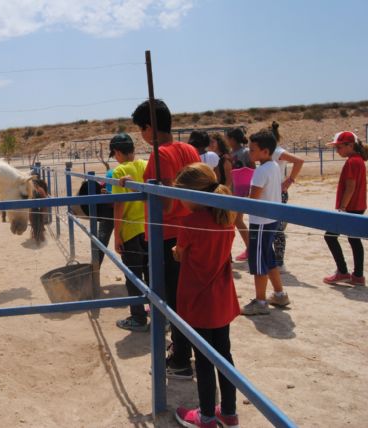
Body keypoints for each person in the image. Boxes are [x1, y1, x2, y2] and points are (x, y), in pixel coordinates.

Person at [131, 99, 200, 379]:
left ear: (148, 128)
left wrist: (147, 191)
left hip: (167, 236)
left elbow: (169, 204)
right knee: (185, 297)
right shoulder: (190, 149)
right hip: (191, 232)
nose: (141, 135)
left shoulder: (160, 156)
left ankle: (181, 360)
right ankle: (183, 350)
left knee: (172, 301)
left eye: (140, 129)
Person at [172, 163, 240, 428]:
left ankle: (207, 416)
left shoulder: (190, 222)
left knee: (202, 359)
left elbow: (181, 252)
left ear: (193, 195)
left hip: (198, 299)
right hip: (222, 298)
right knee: (224, 355)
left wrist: (177, 253)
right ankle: (230, 412)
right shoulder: (226, 217)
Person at [241, 130, 291, 315]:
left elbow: (253, 198)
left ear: (265, 151)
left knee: (258, 260)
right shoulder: (274, 166)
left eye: (253, 149)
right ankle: (279, 294)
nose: (249, 152)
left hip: (261, 221)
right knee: (268, 258)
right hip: (270, 219)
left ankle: (260, 301)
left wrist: (240, 199)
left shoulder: (261, 170)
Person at [109, 133, 150, 332]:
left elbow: (119, 205)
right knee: (151, 274)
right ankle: (160, 315)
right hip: (148, 228)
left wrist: (117, 235)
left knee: (133, 276)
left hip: (131, 230)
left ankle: (138, 317)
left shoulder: (119, 172)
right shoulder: (145, 165)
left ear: (117, 152)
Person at [323, 131, 367, 286]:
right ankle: (358, 276)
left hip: (350, 208)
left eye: (339, 147)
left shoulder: (352, 162)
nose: (337, 151)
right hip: (358, 206)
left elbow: (350, 187)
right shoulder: (358, 160)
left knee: (330, 236)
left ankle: (343, 272)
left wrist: (342, 208)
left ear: (350, 145)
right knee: (354, 240)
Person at [268, 122, 304, 273]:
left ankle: (280, 261)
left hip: (279, 192)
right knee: (273, 227)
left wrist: (290, 180)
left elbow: (299, 161)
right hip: (273, 192)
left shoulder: (276, 152)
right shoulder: (272, 151)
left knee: (278, 229)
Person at [226, 128, 255, 262]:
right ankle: (250, 248)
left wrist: (250, 188)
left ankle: (251, 249)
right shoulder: (231, 153)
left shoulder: (245, 152)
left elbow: (253, 169)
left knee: (237, 220)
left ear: (233, 139)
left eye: (228, 138)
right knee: (235, 221)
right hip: (233, 190)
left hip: (242, 191)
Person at [74, 180, 114, 265]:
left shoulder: (115, 172)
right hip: (110, 209)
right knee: (102, 241)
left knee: (102, 240)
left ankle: (95, 268)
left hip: (108, 210)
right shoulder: (113, 173)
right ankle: (95, 267)